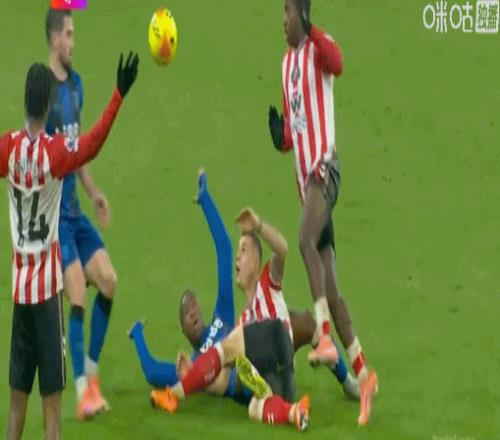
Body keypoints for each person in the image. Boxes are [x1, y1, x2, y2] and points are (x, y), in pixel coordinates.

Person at [0, 54, 138, 440]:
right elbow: (92, 143)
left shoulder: (8, 148)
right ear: (47, 104)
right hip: (47, 297)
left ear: (25, 100)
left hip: (20, 294)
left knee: (16, 405)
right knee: (53, 414)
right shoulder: (54, 153)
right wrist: (118, 95)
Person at [129, 171, 358, 400]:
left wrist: (205, 200)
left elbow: (225, 248)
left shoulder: (222, 318)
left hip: (271, 345)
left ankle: (348, 382)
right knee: (234, 370)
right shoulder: (195, 360)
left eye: (193, 307)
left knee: (305, 322)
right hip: (245, 374)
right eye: (186, 313)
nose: (192, 313)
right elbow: (152, 371)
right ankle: (279, 403)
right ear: (183, 330)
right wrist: (137, 333)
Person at [267, 0, 378, 425]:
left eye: (287, 13)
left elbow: (339, 63)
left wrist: (312, 30)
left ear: (302, 15)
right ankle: (364, 373)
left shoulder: (318, 47)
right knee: (331, 288)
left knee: (303, 240)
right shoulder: (285, 65)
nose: (283, 21)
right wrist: (279, 137)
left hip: (324, 170)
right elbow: (294, 128)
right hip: (306, 186)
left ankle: (325, 336)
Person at [45, 8, 120, 419]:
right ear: (55, 38)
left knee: (108, 280)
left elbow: (79, 150)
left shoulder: (76, 86)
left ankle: (91, 374)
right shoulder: (42, 90)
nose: (74, 42)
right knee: (76, 293)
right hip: (54, 217)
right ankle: (80, 393)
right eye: (70, 34)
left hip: (75, 212)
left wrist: (94, 194)